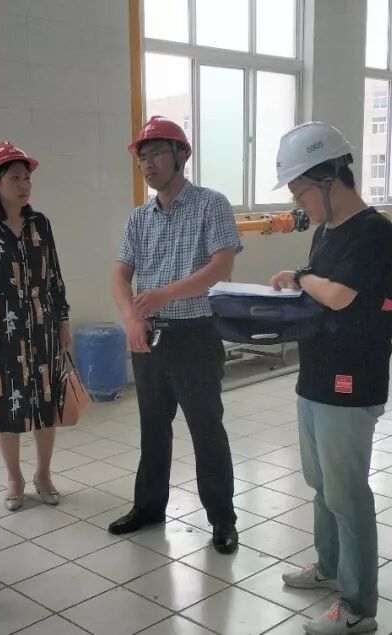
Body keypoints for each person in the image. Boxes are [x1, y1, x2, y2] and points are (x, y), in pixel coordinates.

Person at [268, 122, 392, 635]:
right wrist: (295, 281)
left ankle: (358, 607)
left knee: (347, 494)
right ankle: (328, 567)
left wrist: (302, 278)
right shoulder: (326, 232)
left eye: (300, 191)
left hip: (352, 379)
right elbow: (321, 287)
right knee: (321, 483)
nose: (299, 202)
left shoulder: (373, 231)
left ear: (327, 178)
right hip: (316, 375)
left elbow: (340, 294)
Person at [108, 116, 241, 555]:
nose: (147, 164)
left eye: (156, 154)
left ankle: (222, 518)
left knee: (205, 427)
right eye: (142, 157)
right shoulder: (138, 219)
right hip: (149, 337)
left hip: (194, 334)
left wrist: (166, 294)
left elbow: (221, 266)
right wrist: (131, 318)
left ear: (181, 155)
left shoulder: (210, 205)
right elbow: (120, 275)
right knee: (152, 426)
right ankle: (149, 508)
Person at [0, 141, 71, 511]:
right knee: (6, 404)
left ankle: (43, 474)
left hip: (42, 323)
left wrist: (63, 321)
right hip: (0, 326)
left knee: (45, 400)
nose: (24, 185)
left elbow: (54, 277)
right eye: (15, 178)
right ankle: (14, 477)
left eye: (27, 178)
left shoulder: (41, 224)